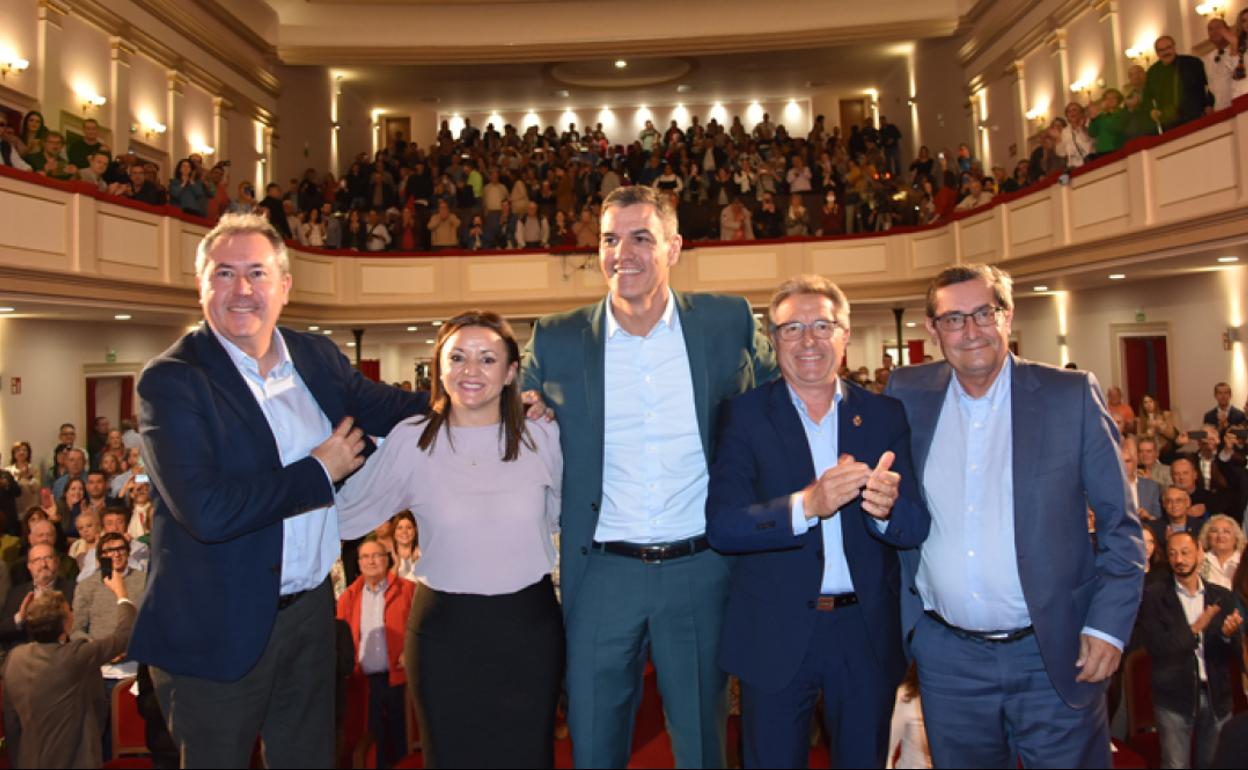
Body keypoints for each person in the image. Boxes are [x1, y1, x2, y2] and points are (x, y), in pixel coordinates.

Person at [129, 212, 430, 767]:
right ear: (201, 285)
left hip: (308, 616)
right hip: (215, 628)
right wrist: (321, 469)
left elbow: (388, 407)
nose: (241, 290)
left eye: (257, 273)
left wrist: (479, 399)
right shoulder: (171, 380)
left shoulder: (313, 356)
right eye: (224, 273)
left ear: (284, 286)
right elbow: (207, 510)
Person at [521, 184, 776, 768]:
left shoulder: (724, 321)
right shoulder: (556, 338)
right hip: (601, 569)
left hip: (700, 566)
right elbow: (505, 413)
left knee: (702, 742)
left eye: (641, 237)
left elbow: (780, 401)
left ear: (674, 247)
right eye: (610, 239)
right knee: (593, 739)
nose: (622, 253)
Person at [885, 263, 1144, 767]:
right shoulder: (906, 394)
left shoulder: (1070, 396)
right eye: (954, 319)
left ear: (1008, 316)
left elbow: (1121, 525)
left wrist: (1108, 628)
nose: (971, 330)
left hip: (1055, 654)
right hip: (948, 660)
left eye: (985, 312)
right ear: (933, 330)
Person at [705, 275, 930, 767]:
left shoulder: (885, 414)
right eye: (792, 328)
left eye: (823, 325)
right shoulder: (743, 417)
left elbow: (915, 527)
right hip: (775, 631)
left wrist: (886, 509)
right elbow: (722, 526)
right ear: (772, 340)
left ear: (845, 335)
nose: (808, 340)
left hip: (864, 633)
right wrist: (807, 505)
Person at [337, 310, 564, 767]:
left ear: (511, 372)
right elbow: (345, 516)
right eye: (457, 357)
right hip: (445, 632)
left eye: (486, 358)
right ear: (439, 368)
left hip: (528, 630)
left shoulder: (543, 435)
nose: (470, 371)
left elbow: (557, 518)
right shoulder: (412, 440)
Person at [0, 566, 134, 768]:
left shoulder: (14, 658)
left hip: (29, 760)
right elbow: (123, 636)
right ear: (65, 623)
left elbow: (12, 724)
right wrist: (121, 594)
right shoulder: (75, 656)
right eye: (69, 611)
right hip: (76, 760)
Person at [1139, 530, 1244, 769]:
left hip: (1216, 695)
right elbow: (1158, 647)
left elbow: (1235, 651)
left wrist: (1228, 636)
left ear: (1199, 551)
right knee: (1176, 765)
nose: (1179, 559)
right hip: (1174, 698)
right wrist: (1196, 627)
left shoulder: (1221, 596)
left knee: (1213, 763)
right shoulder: (1154, 597)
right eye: (1173, 553)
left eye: (1185, 552)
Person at [334, 541, 415, 769]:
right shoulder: (348, 597)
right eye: (365, 557)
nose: (370, 561)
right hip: (363, 685)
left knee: (401, 744)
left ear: (387, 558)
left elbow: (422, 630)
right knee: (370, 747)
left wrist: (410, 651)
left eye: (376, 555)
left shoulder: (408, 590)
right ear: (358, 564)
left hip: (399, 680)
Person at [1199, 514, 1244, 590]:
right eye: (1214, 531)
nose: (1220, 536)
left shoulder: (1243, 562)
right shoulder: (1200, 560)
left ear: (1236, 537)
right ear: (1207, 536)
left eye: (1226, 531)